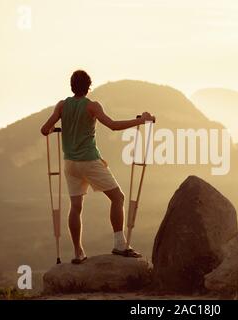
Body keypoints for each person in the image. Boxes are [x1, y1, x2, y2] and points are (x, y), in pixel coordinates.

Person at [40, 70, 155, 263]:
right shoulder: (92, 106)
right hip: (89, 161)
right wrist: (141, 121)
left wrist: (54, 128)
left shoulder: (62, 106)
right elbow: (113, 125)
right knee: (118, 198)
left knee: (75, 207)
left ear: (71, 86)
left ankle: (78, 253)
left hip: (70, 163)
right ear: (88, 86)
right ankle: (120, 244)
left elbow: (45, 130)